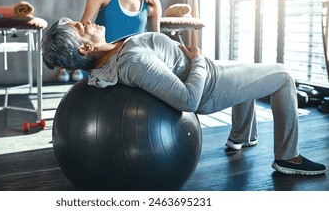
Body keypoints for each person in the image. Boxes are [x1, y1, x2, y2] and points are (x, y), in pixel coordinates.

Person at [42, 18, 326, 176]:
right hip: (210, 86)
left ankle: (240, 136)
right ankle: (288, 158)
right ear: (84, 49)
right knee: (283, 75)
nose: (88, 21)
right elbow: (189, 100)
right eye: (81, 27)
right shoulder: (133, 61)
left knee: (251, 69)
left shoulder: (107, 58)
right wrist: (199, 60)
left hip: (209, 71)